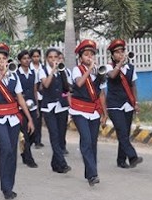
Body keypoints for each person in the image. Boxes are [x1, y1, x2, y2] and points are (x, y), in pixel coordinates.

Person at [0, 42, 35, 200]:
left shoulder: (14, 75)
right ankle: (5, 186)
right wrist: (2, 74)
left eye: (4, 58)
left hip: (13, 118)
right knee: (5, 148)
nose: (1, 61)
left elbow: (20, 98)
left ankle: (8, 187)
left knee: (12, 152)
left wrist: (29, 118)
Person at [70, 40, 107, 187]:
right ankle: (93, 175)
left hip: (94, 111)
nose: (89, 57)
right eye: (86, 55)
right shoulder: (77, 70)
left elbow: (102, 94)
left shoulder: (99, 72)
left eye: (92, 54)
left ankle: (90, 171)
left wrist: (105, 112)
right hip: (79, 109)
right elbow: (79, 83)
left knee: (93, 142)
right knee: (86, 140)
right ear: (80, 58)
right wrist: (89, 68)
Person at [105, 39, 143, 169]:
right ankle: (133, 156)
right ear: (112, 54)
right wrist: (120, 64)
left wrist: (135, 102)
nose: (120, 54)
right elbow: (112, 75)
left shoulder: (131, 68)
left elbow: (133, 85)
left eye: (122, 51)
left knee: (125, 133)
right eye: (117, 52)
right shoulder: (109, 67)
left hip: (127, 103)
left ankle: (121, 160)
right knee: (121, 130)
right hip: (114, 104)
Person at [40, 48, 71, 174]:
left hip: (62, 106)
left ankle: (55, 163)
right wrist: (52, 71)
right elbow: (46, 85)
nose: (53, 60)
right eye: (51, 57)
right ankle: (62, 163)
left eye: (56, 57)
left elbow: (67, 88)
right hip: (49, 107)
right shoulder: (42, 71)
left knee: (61, 135)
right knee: (54, 134)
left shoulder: (64, 70)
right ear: (47, 59)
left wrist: (61, 71)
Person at [16, 50, 38, 168]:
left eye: (28, 58)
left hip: (32, 106)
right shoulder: (16, 73)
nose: (27, 60)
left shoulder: (33, 73)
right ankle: (29, 158)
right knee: (25, 132)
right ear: (20, 61)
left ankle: (24, 152)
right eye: (24, 58)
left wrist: (37, 107)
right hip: (20, 107)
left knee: (34, 133)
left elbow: (35, 90)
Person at [29, 48, 45, 148]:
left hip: (42, 95)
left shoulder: (42, 68)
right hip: (32, 95)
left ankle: (38, 140)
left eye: (37, 56)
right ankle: (32, 139)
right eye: (34, 56)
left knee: (39, 119)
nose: (36, 58)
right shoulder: (29, 68)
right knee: (34, 118)